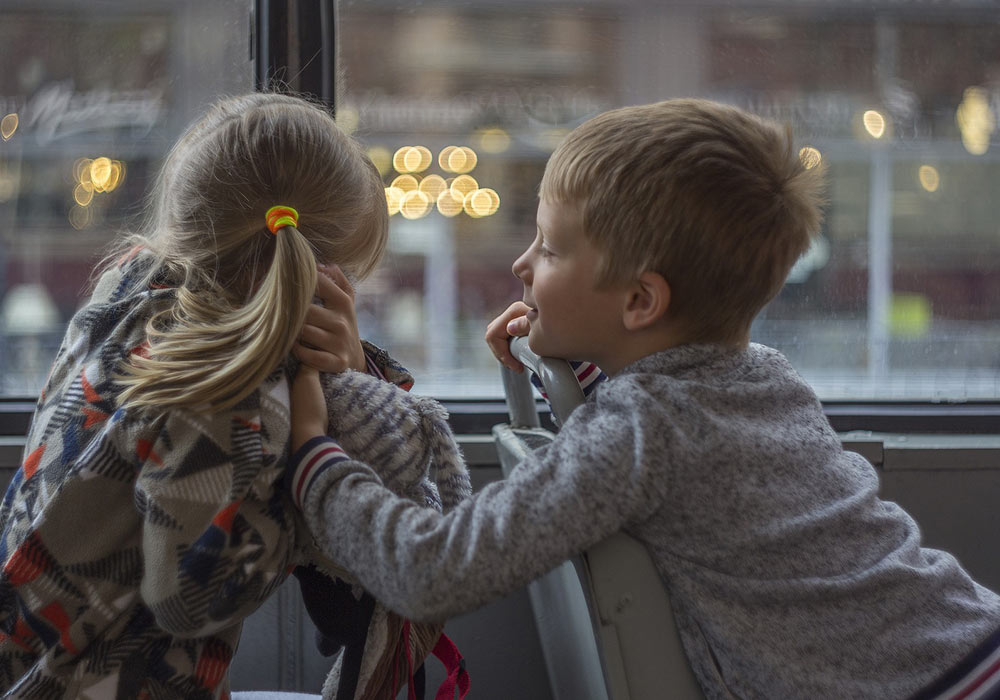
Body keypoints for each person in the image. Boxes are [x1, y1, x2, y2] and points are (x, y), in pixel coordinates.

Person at [286, 98, 1000, 699]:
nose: (520, 265)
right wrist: (574, 369)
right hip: (964, 644)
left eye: (549, 248)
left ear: (639, 300)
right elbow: (677, 431)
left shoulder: (641, 436)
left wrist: (317, 459)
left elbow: (431, 571)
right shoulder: (761, 374)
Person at [0, 92, 409, 699]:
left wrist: (348, 373)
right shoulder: (236, 389)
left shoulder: (131, 284)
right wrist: (311, 456)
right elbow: (191, 600)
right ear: (322, 283)